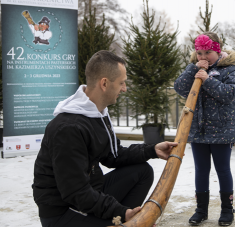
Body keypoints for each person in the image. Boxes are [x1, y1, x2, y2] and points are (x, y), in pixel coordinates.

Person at [32, 50, 178, 227]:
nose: (124, 88)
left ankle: (124, 220)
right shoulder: (68, 129)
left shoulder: (97, 114)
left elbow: (113, 156)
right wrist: (121, 212)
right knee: (120, 212)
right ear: (104, 83)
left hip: (88, 194)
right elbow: (76, 192)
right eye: (122, 83)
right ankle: (121, 220)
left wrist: (151, 150)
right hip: (62, 212)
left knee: (142, 171)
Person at [174, 32, 235, 226]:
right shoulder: (194, 68)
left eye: (208, 52)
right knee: (201, 170)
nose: (203, 57)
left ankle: (227, 210)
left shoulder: (229, 70)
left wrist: (208, 80)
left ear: (217, 50)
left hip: (222, 131)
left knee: (222, 170)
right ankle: (201, 210)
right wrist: (192, 70)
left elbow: (230, 94)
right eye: (199, 53)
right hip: (199, 131)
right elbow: (179, 87)